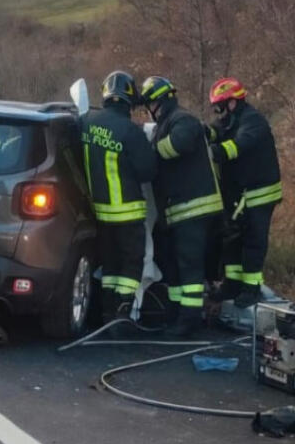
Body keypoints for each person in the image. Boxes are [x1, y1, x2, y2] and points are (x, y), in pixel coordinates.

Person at [140, 76, 224, 337]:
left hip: (195, 209)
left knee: (190, 265)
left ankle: (189, 320)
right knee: (175, 262)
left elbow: (181, 143)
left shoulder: (182, 120)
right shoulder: (167, 123)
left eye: (150, 104)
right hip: (181, 211)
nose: (149, 111)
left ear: (161, 102)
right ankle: (176, 313)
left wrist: (151, 151)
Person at [80, 71, 157, 322]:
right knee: (130, 265)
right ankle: (122, 316)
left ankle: (105, 313)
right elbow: (148, 171)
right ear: (129, 100)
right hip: (128, 212)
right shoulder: (130, 132)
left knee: (110, 266)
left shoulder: (86, 123)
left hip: (98, 213)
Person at [208, 77, 282, 309]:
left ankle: (251, 288)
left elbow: (239, 145)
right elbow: (215, 131)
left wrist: (216, 152)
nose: (218, 112)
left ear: (233, 102)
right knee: (232, 239)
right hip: (241, 194)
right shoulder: (231, 121)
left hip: (260, 193)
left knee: (253, 240)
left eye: (220, 106)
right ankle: (232, 283)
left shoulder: (253, 121)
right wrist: (200, 133)